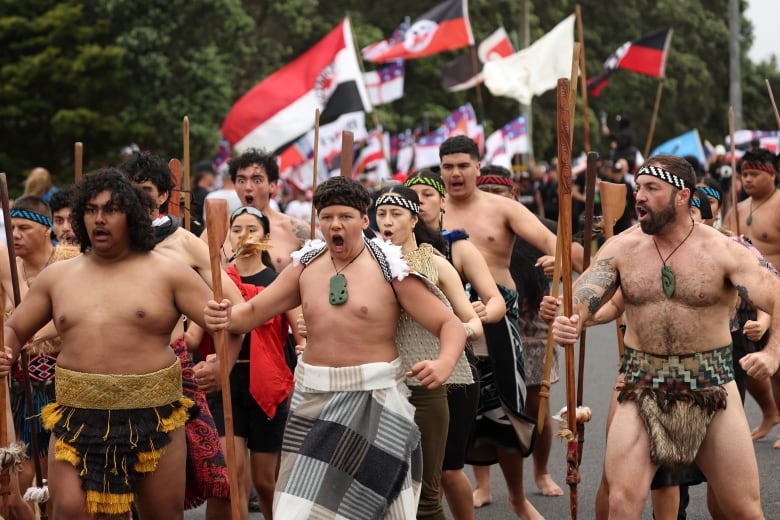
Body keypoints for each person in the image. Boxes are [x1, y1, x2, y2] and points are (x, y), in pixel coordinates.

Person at [204, 176, 467, 518]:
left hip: (375, 398)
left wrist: (444, 362)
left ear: (364, 220)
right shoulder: (305, 267)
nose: (335, 225)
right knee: (296, 511)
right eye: (327, 217)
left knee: (379, 510)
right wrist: (222, 316)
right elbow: (251, 314)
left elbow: (450, 324)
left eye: (344, 216)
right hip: (314, 399)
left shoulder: (391, 269)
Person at [0, 169, 239, 519]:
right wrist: (5, 350)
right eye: (91, 209)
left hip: (155, 417)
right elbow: (15, 328)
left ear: (132, 215)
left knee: (161, 515)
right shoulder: (58, 277)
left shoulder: (168, 272)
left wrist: (223, 367)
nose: (100, 218)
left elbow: (229, 325)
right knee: (68, 509)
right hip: (75, 417)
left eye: (111, 209)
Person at [552, 154, 780, 518]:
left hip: (712, 386)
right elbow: (582, 298)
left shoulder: (723, 249)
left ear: (681, 196)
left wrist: (772, 352)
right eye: (638, 188)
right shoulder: (622, 248)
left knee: (744, 510)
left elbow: (775, 293)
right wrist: (571, 320)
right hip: (642, 383)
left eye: (651, 188)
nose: (639, 196)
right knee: (621, 503)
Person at [437, 136, 582, 519]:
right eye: (448, 166)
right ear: (439, 171)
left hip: (501, 324)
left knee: (509, 414)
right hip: (443, 323)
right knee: (450, 413)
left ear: (477, 168)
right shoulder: (430, 214)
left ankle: (518, 498)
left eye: (463, 165)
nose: (455, 173)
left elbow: (560, 246)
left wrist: (559, 261)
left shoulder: (502, 209)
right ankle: (462, 490)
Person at [119, 152, 244, 517]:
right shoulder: (104, 244)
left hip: (170, 371)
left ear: (161, 196)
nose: (136, 199)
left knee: (216, 479)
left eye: (144, 190)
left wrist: (223, 363)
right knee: (110, 491)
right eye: (128, 191)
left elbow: (233, 308)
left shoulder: (183, 242)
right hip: (109, 375)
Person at [188, 206, 303, 520]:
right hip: (226, 382)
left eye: (252, 229)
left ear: (266, 237)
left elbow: (301, 332)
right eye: (237, 229)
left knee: (266, 482)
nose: (244, 236)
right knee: (232, 476)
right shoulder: (216, 282)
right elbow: (193, 337)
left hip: (268, 384)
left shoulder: (281, 281)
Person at [405, 169, 506, 519]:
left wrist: (476, 317)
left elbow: (495, 300)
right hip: (405, 368)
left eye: (427, 194)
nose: (419, 200)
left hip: (456, 366)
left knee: (447, 471)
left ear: (442, 201)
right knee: (407, 472)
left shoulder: (456, 247)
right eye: (412, 194)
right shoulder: (385, 252)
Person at [374, 185, 480, 519]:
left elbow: (472, 322)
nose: (387, 221)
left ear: (414, 219)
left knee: (426, 496)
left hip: (427, 383)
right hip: (377, 383)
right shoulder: (366, 263)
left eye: (396, 214)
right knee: (380, 493)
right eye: (381, 214)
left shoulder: (433, 263)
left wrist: (448, 337)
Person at [474, 171, 564, 498]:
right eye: (487, 192)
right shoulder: (467, 226)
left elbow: (573, 258)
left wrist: (562, 264)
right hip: (485, 318)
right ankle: (483, 485)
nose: (494, 198)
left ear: (513, 194)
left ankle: (541, 473)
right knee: (480, 401)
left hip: (534, 320)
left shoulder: (539, 227)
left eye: (500, 192)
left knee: (535, 401)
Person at [202, 149, 311, 271]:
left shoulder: (295, 230)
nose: (248, 187)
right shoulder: (216, 232)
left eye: (257, 180)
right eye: (241, 180)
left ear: (272, 185)